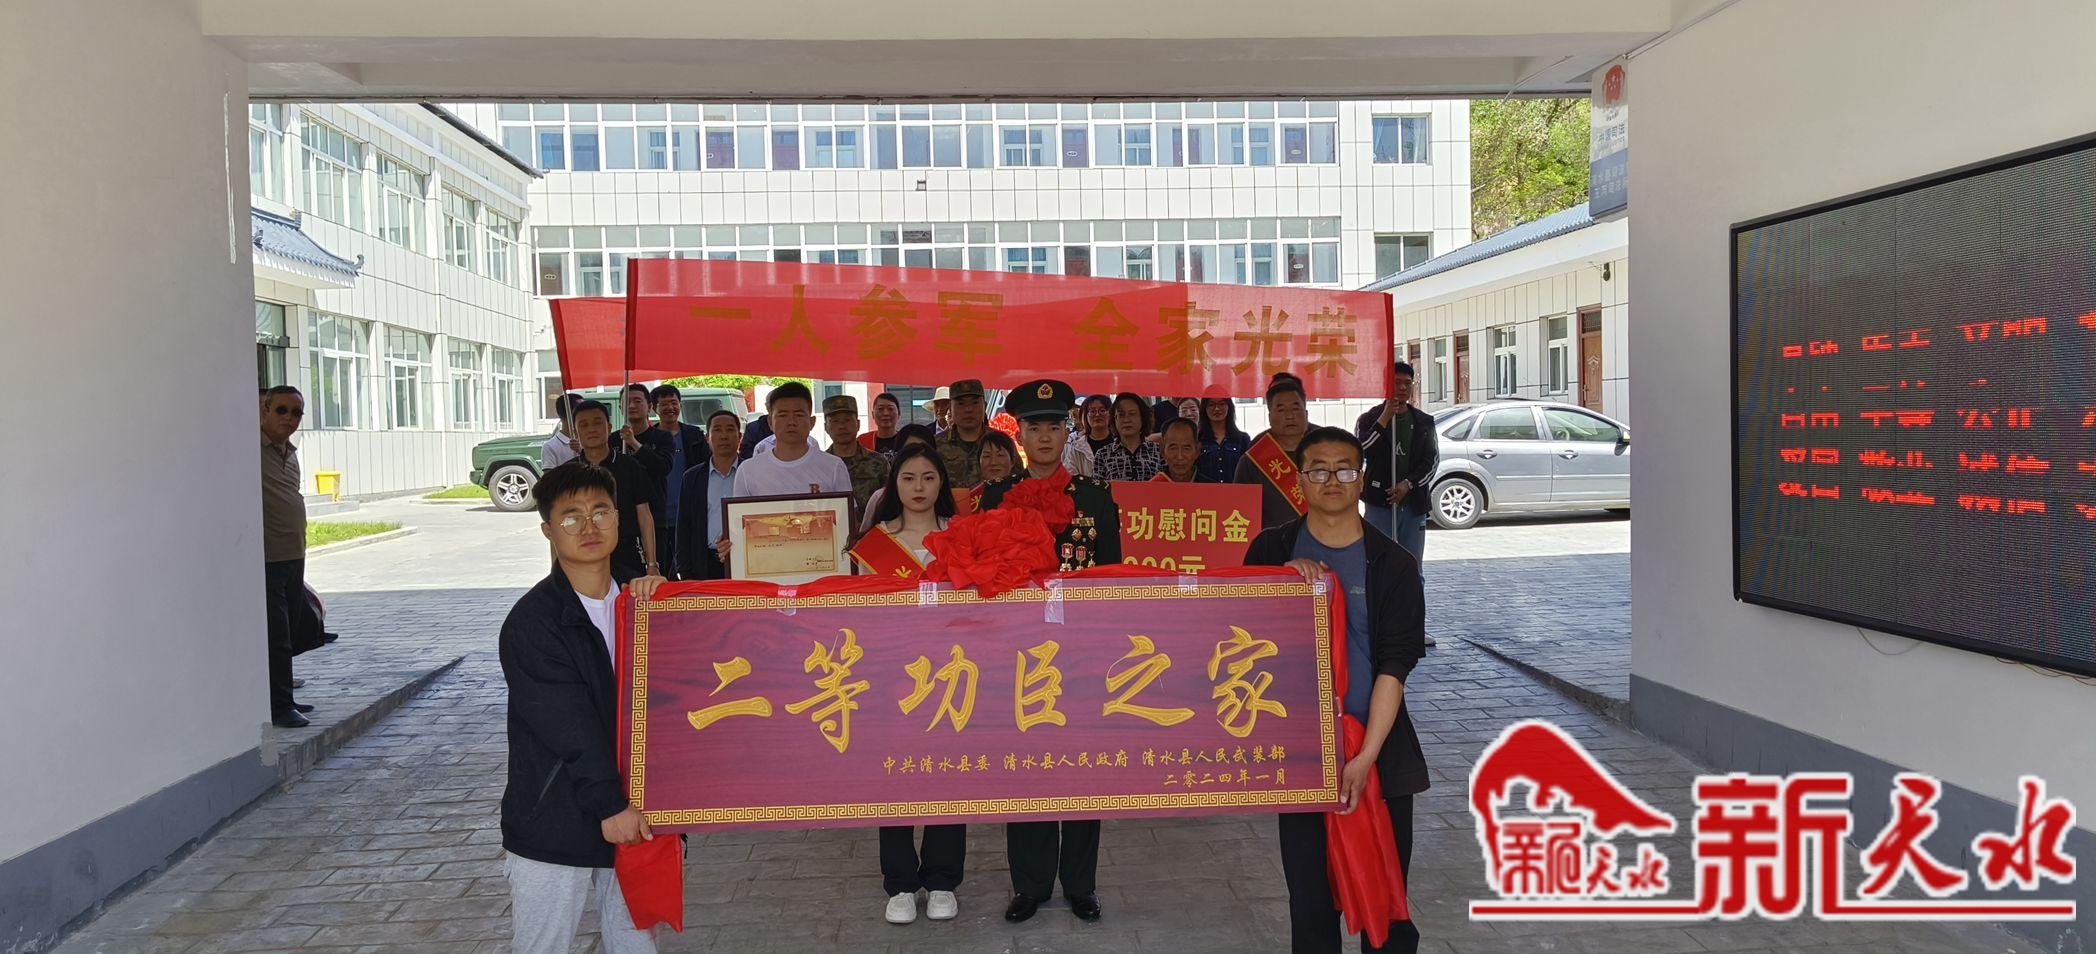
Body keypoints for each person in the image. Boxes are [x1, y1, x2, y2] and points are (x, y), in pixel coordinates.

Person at [1246, 426, 1426, 954]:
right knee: (1310, 902)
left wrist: (1365, 757)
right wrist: (1278, 583)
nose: (1332, 480)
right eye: (1318, 469)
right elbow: (1238, 634)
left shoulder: (1394, 564)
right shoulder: (1271, 549)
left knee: (1385, 899)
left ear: (1361, 480)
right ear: (1299, 480)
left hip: (1377, 750)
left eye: (1345, 469)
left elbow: (1395, 667)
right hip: (1300, 753)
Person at [499, 461, 669, 954]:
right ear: (548, 531)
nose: (589, 526)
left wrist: (674, 609)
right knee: (543, 945)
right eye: (571, 516)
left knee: (637, 945)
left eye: (601, 511)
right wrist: (610, 804)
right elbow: (567, 725)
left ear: (619, 518)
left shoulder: (644, 602)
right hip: (558, 815)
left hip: (642, 812)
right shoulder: (534, 623)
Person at [979, 378, 1119, 925]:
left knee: (1083, 763)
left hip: (1080, 649)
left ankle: (1081, 884)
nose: (1044, 436)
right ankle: (1030, 884)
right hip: (1018, 650)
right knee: (1026, 765)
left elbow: (1110, 576)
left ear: (1068, 432)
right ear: (1019, 434)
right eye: (1033, 427)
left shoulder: (1095, 495)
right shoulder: (996, 496)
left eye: (1054, 426)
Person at [844, 446, 969, 923]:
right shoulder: (874, 543)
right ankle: (899, 883)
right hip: (892, 674)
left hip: (954, 672)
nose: (919, 487)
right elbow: (861, 613)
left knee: (949, 775)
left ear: (942, 484)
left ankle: (942, 880)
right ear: (893, 485)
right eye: (909, 478)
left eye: (929, 477)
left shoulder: (961, 536)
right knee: (893, 775)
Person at [259, 385, 315, 728]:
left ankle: (285, 696)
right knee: (276, 636)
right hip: (267, 558)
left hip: (294, 553)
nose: (289, 418)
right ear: (264, 412)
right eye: (281, 410)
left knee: (290, 631)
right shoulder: (251, 451)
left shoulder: (289, 452)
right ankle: (279, 707)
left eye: (296, 413)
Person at [1356, 362, 1438, 568]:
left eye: (1407, 383)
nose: (1402, 388)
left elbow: (1431, 461)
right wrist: (1384, 419)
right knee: (1378, 563)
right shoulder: (1368, 420)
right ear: (1386, 385)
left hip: (1413, 505)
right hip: (1379, 504)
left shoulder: (1424, 421)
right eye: (1396, 382)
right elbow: (1361, 451)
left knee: (1412, 565)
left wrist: (1408, 484)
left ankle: (1412, 592)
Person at [573, 401, 659, 582]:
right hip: (583, 556)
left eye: (597, 423)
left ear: (609, 427)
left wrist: (652, 563)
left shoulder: (630, 466)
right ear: (576, 432)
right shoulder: (568, 473)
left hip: (626, 556)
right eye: (584, 425)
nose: (591, 429)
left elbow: (644, 515)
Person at [731, 382, 853, 503]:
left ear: (812, 422)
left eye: (799, 415)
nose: (791, 422)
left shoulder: (833, 466)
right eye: (783, 415)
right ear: (770, 422)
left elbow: (846, 513)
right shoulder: (747, 471)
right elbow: (740, 514)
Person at [673, 409, 743, 581]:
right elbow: (684, 526)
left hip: (744, 558)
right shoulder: (692, 477)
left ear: (739, 436)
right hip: (704, 562)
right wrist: (684, 571)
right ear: (707, 437)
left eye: (730, 430)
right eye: (717, 430)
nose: (724, 436)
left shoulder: (750, 473)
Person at [639, 385, 702, 576]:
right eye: (664, 404)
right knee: (662, 568)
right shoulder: (648, 439)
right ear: (653, 408)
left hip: (688, 513)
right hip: (658, 515)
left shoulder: (693, 435)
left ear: (680, 405)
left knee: (688, 567)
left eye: (674, 403)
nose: (670, 408)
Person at [1235, 376, 1312, 530]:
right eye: (1281, 410)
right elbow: (1240, 511)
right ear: (1270, 417)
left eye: (1296, 408)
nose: (1289, 416)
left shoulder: (1323, 453)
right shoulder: (1252, 461)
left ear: (1306, 414)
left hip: (1320, 540)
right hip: (1271, 542)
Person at [857, 425, 941, 533]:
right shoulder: (879, 499)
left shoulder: (954, 528)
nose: (919, 487)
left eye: (928, 478)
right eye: (909, 451)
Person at [823, 394, 889, 525]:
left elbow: (890, 501)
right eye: (835, 421)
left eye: (847, 420)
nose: (842, 426)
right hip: (832, 533)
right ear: (826, 427)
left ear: (858, 424)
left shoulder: (878, 462)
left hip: (872, 532)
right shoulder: (821, 465)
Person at [1094, 392, 1165, 482]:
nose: (1126, 420)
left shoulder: (1159, 451)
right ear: (1114, 419)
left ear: (1142, 417)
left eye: (1132, 414)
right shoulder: (1103, 454)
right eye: (1121, 415)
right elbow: (1096, 488)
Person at [935, 379, 991, 489]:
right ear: (950, 408)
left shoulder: (1000, 442)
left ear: (984, 405)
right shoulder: (936, 445)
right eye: (961, 404)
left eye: (975, 403)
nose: (968, 409)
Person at [1197, 387, 1253, 483]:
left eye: (1221, 404)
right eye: (1211, 404)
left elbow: (1249, 472)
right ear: (1204, 409)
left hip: (1236, 491)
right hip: (1205, 492)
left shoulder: (1243, 439)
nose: (1217, 408)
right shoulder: (1198, 439)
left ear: (1229, 407)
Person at [541, 393, 585, 470]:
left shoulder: (589, 440)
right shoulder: (550, 447)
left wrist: (582, 453)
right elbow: (550, 476)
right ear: (571, 414)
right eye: (582, 411)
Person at [1155, 417, 1206, 483]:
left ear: (1197, 451)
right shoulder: (1151, 487)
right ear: (1162, 450)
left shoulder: (1211, 487)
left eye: (1186, 449)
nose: (1180, 457)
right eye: (1173, 448)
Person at [858, 392, 905, 461]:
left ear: (899, 414)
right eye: (880, 409)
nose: (885, 413)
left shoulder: (906, 441)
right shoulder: (862, 441)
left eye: (890, 409)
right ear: (873, 414)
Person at [617, 383, 654, 458]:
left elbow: (662, 464)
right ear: (621, 408)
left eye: (637, 401)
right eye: (627, 402)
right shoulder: (611, 440)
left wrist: (633, 442)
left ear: (649, 407)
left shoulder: (663, 437)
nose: (632, 406)